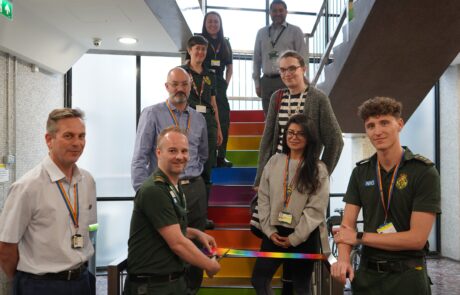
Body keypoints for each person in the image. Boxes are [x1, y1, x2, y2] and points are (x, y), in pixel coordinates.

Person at [331, 97, 440, 295]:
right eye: (370, 125)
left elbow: (416, 239)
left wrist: (359, 237)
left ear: (399, 124)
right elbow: (347, 226)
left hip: (407, 278)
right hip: (367, 277)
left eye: (384, 123)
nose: (377, 131)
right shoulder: (361, 172)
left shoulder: (423, 171)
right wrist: (344, 260)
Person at [0, 108, 97, 295]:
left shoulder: (88, 181)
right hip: (40, 285)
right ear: (49, 140)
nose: (77, 143)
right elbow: (6, 247)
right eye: (68, 136)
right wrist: (26, 281)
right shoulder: (28, 186)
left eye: (81, 136)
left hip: (82, 280)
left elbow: (88, 232)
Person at [131, 67, 209, 293]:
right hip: (162, 190)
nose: (180, 89)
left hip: (193, 189)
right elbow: (140, 157)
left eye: (184, 84)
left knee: (194, 242)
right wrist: (142, 194)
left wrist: (192, 175)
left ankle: (190, 290)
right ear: (167, 87)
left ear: (190, 87)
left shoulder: (199, 118)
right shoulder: (152, 113)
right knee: (167, 242)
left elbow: (203, 154)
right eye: (174, 84)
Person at [125, 126, 221, 295]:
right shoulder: (154, 190)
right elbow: (177, 243)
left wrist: (198, 234)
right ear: (158, 153)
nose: (179, 156)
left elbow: (172, 228)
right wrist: (209, 265)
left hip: (172, 282)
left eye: (184, 151)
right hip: (152, 286)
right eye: (172, 150)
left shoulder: (173, 187)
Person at [251, 114, 330, 295]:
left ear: (309, 137)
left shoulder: (318, 169)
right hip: (274, 233)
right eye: (290, 132)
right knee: (259, 280)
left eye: (300, 134)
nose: (294, 137)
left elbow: (316, 209)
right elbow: (263, 198)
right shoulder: (274, 161)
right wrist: (270, 232)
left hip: (304, 235)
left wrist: (295, 238)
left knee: (301, 288)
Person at [181, 35, 223, 230]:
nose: (201, 53)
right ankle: (182, 215)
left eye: (203, 50)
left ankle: (202, 215)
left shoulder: (210, 74)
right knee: (186, 170)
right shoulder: (181, 72)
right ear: (189, 50)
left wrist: (219, 128)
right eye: (197, 49)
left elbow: (214, 103)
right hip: (187, 123)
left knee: (206, 173)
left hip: (208, 124)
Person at [253, 0, 308, 115]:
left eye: (281, 10)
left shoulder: (295, 31)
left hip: (288, 80)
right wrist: (257, 83)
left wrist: (301, 81)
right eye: (274, 10)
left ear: (286, 12)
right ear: (270, 13)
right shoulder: (261, 33)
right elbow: (256, 60)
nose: (277, 13)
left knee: (289, 117)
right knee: (269, 120)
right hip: (267, 82)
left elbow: (302, 58)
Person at [201, 11, 234, 168]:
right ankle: (208, 156)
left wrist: (225, 84)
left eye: (216, 22)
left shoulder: (225, 43)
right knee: (206, 118)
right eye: (210, 21)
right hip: (204, 81)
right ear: (205, 24)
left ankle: (221, 156)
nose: (213, 24)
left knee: (224, 119)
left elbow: (230, 68)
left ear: (220, 25)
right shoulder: (200, 41)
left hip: (219, 83)